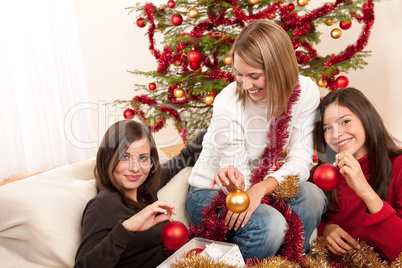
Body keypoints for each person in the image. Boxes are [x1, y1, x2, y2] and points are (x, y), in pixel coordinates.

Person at [185, 20, 327, 259]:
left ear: (279, 70)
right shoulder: (228, 101)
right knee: (270, 225)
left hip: (260, 185)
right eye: (239, 74)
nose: (246, 84)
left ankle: (288, 262)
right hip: (211, 191)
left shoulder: (306, 91)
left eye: (254, 76)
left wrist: (263, 188)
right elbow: (237, 175)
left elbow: (301, 159)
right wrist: (250, 190)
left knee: (313, 197)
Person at [74, 120, 205, 268]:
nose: (135, 168)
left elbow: (183, 158)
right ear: (108, 158)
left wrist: (223, 118)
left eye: (143, 158)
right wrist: (127, 228)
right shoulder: (103, 204)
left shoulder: (147, 187)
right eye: (125, 157)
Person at [313, 87, 402, 261]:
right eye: (327, 128)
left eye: (345, 121)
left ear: (366, 119)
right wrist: (325, 229)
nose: (336, 134)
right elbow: (301, 225)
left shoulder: (398, 167)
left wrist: (365, 191)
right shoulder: (321, 174)